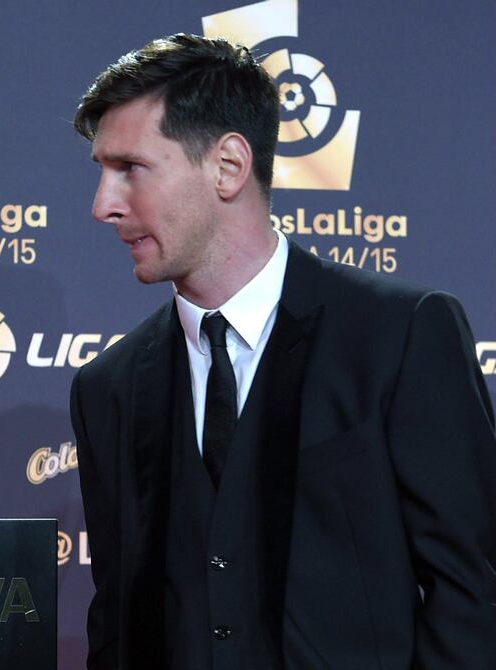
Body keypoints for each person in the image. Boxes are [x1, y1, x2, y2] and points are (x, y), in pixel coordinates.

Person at [70, 33, 496, 669]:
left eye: (130, 168)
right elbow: (116, 626)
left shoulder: (400, 334)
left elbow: (473, 597)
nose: (103, 205)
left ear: (228, 166)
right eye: (102, 172)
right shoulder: (109, 386)